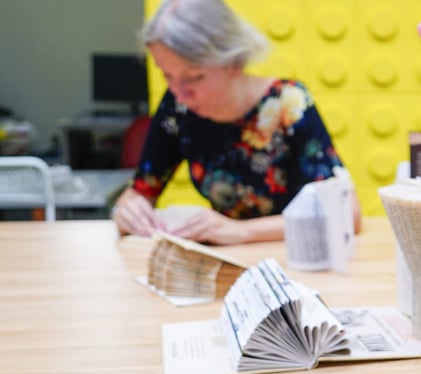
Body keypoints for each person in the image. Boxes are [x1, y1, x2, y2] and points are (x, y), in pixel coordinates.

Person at [112, 0, 361, 245]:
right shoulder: (177, 109)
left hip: (298, 256)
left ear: (234, 63)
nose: (180, 94)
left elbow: (347, 212)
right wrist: (129, 212)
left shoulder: (288, 103)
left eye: (194, 77)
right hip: (228, 260)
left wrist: (242, 231)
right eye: (167, 75)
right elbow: (141, 191)